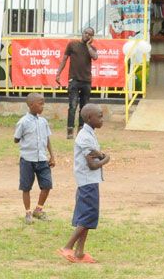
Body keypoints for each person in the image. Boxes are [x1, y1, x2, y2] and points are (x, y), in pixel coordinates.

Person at [59, 104, 110, 264]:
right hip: (87, 181)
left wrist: (101, 155)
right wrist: (107, 158)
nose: (102, 119)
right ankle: (68, 247)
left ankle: (79, 252)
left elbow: (97, 156)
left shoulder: (89, 133)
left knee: (88, 216)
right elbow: (93, 164)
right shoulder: (85, 137)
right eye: (100, 116)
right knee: (88, 215)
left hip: (90, 181)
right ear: (89, 118)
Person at [14, 93, 55, 224]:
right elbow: (16, 139)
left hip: (42, 159)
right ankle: (28, 212)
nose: (43, 106)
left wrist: (52, 156)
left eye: (43, 103)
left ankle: (39, 209)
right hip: (27, 159)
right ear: (31, 105)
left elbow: (47, 139)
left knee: (47, 185)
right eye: (40, 103)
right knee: (26, 187)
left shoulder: (43, 122)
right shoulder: (23, 122)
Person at [55, 27, 98, 139]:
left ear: (92, 37)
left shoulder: (92, 48)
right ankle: (70, 131)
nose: (87, 35)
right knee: (72, 106)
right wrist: (58, 74)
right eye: (85, 33)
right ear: (82, 33)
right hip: (74, 80)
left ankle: (80, 131)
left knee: (84, 108)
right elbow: (64, 59)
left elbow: (95, 57)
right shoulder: (72, 44)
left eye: (90, 34)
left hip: (86, 81)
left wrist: (88, 45)